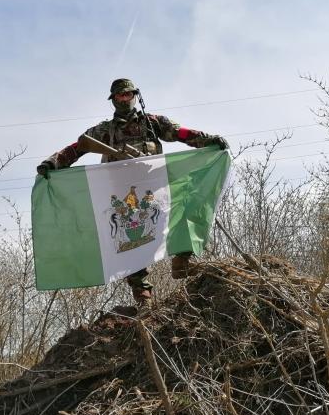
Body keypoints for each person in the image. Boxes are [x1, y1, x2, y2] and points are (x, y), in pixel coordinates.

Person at [37, 78, 229, 307]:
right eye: (120, 95)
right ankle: (143, 296)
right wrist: (51, 163)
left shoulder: (153, 123)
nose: (125, 99)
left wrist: (209, 140)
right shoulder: (104, 130)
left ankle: (182, 262)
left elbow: (181, 133)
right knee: (131, 242)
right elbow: (77, 148)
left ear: (135, 96)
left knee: (185, 209)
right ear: (114, 99)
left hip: (154, 188)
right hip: (122, 195)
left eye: (128, 94)